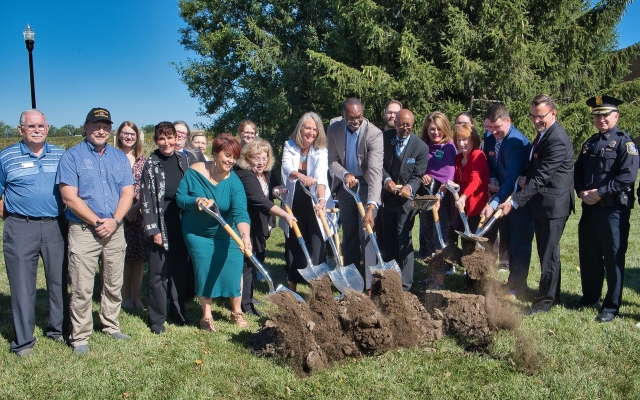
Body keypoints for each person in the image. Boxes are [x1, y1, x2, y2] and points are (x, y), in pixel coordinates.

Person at [57, 107, 135, 355]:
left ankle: (111, 324)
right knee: (82, 285)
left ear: (110, 129)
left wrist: (114, 220)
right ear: (85, 127)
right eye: (95, 125)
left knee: (113, 281)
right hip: (83, 229)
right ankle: (80, 336)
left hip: (115, 228)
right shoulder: (72, 157)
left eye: (105, 126)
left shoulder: (119, 158)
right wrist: (96, 221)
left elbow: (127, 192)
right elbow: (69, 197)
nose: (101, 130)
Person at [0, 109, 68, 357]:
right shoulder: (6, 157)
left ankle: (57, 330)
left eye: (41, 126)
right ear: (21, 130)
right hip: (20, 226)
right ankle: (23, 341)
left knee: (59, 280)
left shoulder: (62, 155)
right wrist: (14, 218)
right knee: (21, 284)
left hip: (55, 225)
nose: (37, 130)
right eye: (31, 126)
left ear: (47, 128)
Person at [498, 95, 574, 314]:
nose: (536, 120)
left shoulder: (557, 138)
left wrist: (514, 201)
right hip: (543, 204)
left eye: (540, 116)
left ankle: (543, 303)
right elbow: (535, 169)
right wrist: (524, 176)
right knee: (548, 252)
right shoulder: (544, 134)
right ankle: (553, 295)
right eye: (533, 115)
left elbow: (541, 178)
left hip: (553, 206)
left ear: (553, 113)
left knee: (548, 254)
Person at [176, 133, 251, 331]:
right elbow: (180, 198)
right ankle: (206, 315)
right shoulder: (194, 172)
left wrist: (245, 235)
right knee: (204, 268)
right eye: (227, 155)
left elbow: (240, 212)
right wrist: (196, 201)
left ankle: (236, 311)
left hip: (226, 232)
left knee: (234, 267)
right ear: (215, 154)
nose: (231, 161)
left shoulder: (234, 181)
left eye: (234, 157)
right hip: (197, 232)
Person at [574, 95, 639, 323]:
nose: (601, 119)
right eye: (597, 115)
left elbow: (628, 177)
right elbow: (578, 172)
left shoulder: (625, 143)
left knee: (613, 258)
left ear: (616, 116)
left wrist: (599, 193)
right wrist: (581, 192)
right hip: (590, 209)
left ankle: (611, 306)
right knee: (589, 255)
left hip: (613, 211)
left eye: (605, 115)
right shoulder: (590, 143)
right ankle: (590, 296)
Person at [140, 122, 193, 334]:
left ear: (176, 138)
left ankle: (178, 313)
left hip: (180, 222)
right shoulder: (151, 163)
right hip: (160, 223)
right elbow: (146, 200)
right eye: (161, 138)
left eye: (169, 137)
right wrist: (154, 231)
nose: (166, 142)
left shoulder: (183, 160)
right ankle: (157, 320)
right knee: (157, 274)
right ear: (156, 141)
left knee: (179, 270)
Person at [327, 98, 383, 292]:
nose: (356, 121)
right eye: (351, 118)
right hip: (346, 185)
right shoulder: (334, 129)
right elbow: (332, 161)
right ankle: (352, 283)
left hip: (366, 183)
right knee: (349, 233)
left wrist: (371, 207)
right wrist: (345, 174)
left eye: (359, 117)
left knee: (366, 233)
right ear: (343, 115)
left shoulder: (374, 134)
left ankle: (369, 286)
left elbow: (376, 172)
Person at [235, 138, 295, 314]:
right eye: (256, 158)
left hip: (260, 224)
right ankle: (245, 305)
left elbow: (274, 186)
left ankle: (248, 297)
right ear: (247, 158)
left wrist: (280, 190)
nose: (261, 162)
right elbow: (258, 200)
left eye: (264, 158)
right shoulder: (244, 174)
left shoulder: (264, 172)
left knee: (256, 259)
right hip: (247, 223)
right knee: (247, 263)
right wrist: (284, 214)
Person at [481, 103, 534, 300]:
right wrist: (493, 178)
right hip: (501, 197)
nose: (494, 132)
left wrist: (493, 203)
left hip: (518, 201)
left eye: (498, 127)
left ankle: (517, 288)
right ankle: (512, 282)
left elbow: (512, 179)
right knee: (509, 244)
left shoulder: (517, 143)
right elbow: (492, 163)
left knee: (519, 245)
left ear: (508, 121)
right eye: (490, 127)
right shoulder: (489, 136)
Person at [280, 112, 333, 291]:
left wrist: (322, 200)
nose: (310, 132)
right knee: (295, 242)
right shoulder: (290, 146)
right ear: (300, 129)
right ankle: (293, 285)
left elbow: (320, 176)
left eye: (314, 129)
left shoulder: (321, 150)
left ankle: (317, 288)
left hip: (314, 201)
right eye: (307, 128)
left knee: (317, 242)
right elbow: (287, 168)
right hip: (294, 200)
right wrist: (301, 176)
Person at [380, 109, 429, 291]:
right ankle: (389, 281)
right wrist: (387, 181)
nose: (404, 129)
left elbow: (418, 175)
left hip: (407, 203)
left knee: (403, 237)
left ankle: (406, 285)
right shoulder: (385, 138)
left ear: (412, 125)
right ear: (395, 123)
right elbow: (379, 164)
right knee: (388, 239)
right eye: (401, 125)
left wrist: (409, 188)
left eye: (408, 125)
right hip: (387, 198)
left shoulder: (421, 147)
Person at [115, 121, 148, 310]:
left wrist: (136, 208)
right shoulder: (112, 157)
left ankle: (137, 296)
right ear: (119, 135)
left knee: (138, 259)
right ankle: (124, 297)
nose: (129, 137)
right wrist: (124, 211)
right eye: (125, 133)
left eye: (132, 134)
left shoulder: (142, 160)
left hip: (139, 214)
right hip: (119, 215)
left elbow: (146, 187)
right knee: (125, 259)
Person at [418, 111, 457, 259]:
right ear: (426, 130)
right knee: (426, 230)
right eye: (432, 129)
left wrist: (439, 197)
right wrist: (423, 175)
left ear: (445, 128)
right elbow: (418, 168)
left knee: (440, 232)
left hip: (442, 196)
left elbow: (449, 177)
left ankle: (443, 267)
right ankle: (430, 264)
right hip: (425, 194)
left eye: (439, 128)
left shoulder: (449, 148)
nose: (436, 132)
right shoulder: (423, 147)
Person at [449, 123, 491, 255]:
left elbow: (476, 180)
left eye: (465, 139)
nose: (462, 143)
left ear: (473, 139)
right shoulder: (459, 158)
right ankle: (468, 273)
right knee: (466, 242)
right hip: (463, 208)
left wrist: (463, 196)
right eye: (459, 140)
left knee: (475, 245)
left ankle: (475, 274)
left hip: (477, 207)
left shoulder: (478, 156)